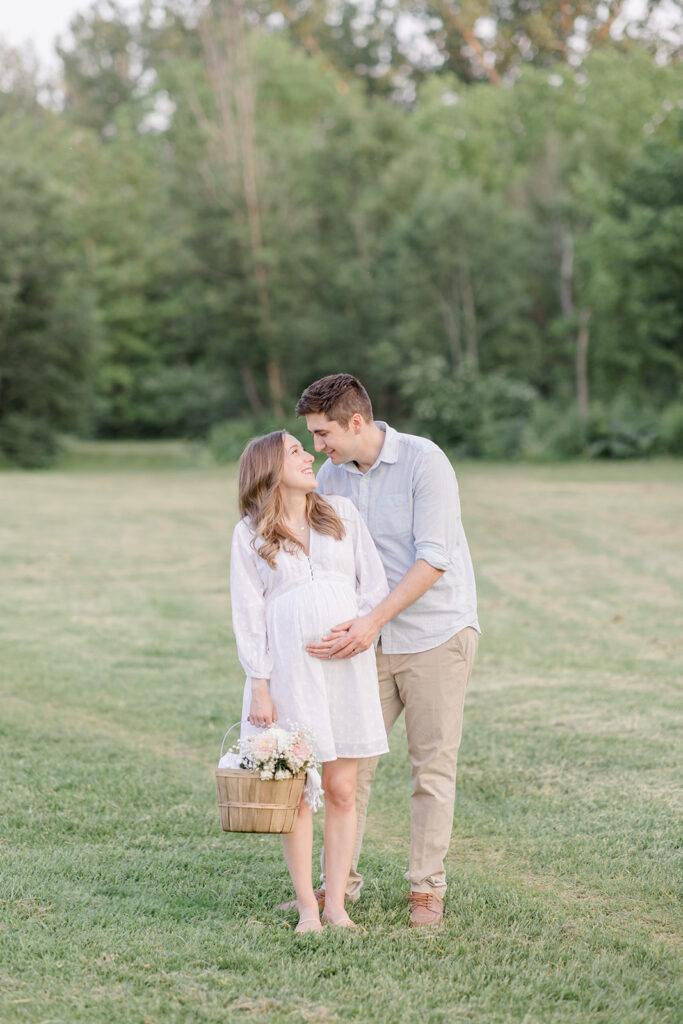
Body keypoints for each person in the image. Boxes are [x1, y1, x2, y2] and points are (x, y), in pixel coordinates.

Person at [295, 374, 480, 927]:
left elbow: (434, 559)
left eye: (323, 432)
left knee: (431, 769)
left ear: (356, 422)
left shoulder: (426, 462)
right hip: (364, 641)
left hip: (435, 636)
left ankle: (426, 890)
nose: (317, 446)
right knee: (348, 769)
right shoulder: (331, 475)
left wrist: (371, 621)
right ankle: (338, 888)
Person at [229, 430, 389, 933]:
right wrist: (260, 683)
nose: (308, 455)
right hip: (289, 676)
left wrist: (359, 630)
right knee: (295, 791)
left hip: (347, 666)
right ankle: (306, 908)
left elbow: (374, 585)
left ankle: (337, 904)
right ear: (269, 471)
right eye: (294, 450)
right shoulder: (250, 534)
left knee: (342, 789)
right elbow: (249, 613)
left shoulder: (341, 513)